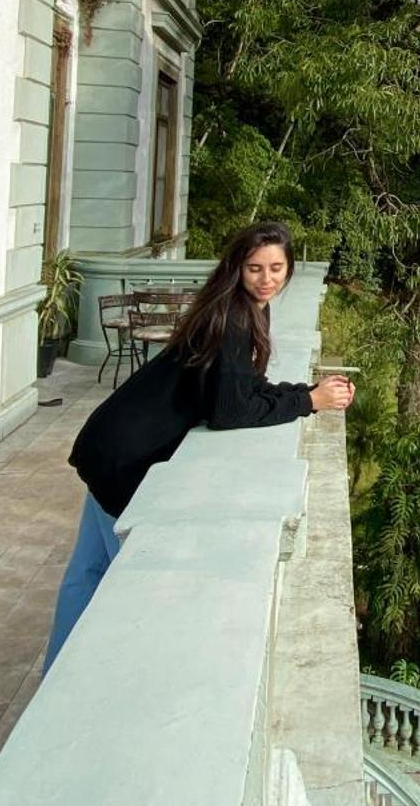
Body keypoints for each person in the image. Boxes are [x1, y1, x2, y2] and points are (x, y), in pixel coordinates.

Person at [43, 223, 353, 671]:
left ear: (288, 270)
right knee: (117, 591)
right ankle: (76, 680)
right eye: (255, 268)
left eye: (276, 269)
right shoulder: (232, 320)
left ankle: (54, 672)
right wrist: (309, 402)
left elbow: (246, 389)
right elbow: (230, 412)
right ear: (237, 268)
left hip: (109, 439)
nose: (266, 279)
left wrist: (307, 392)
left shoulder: (245, 308)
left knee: (84, 575)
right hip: (124, 453)